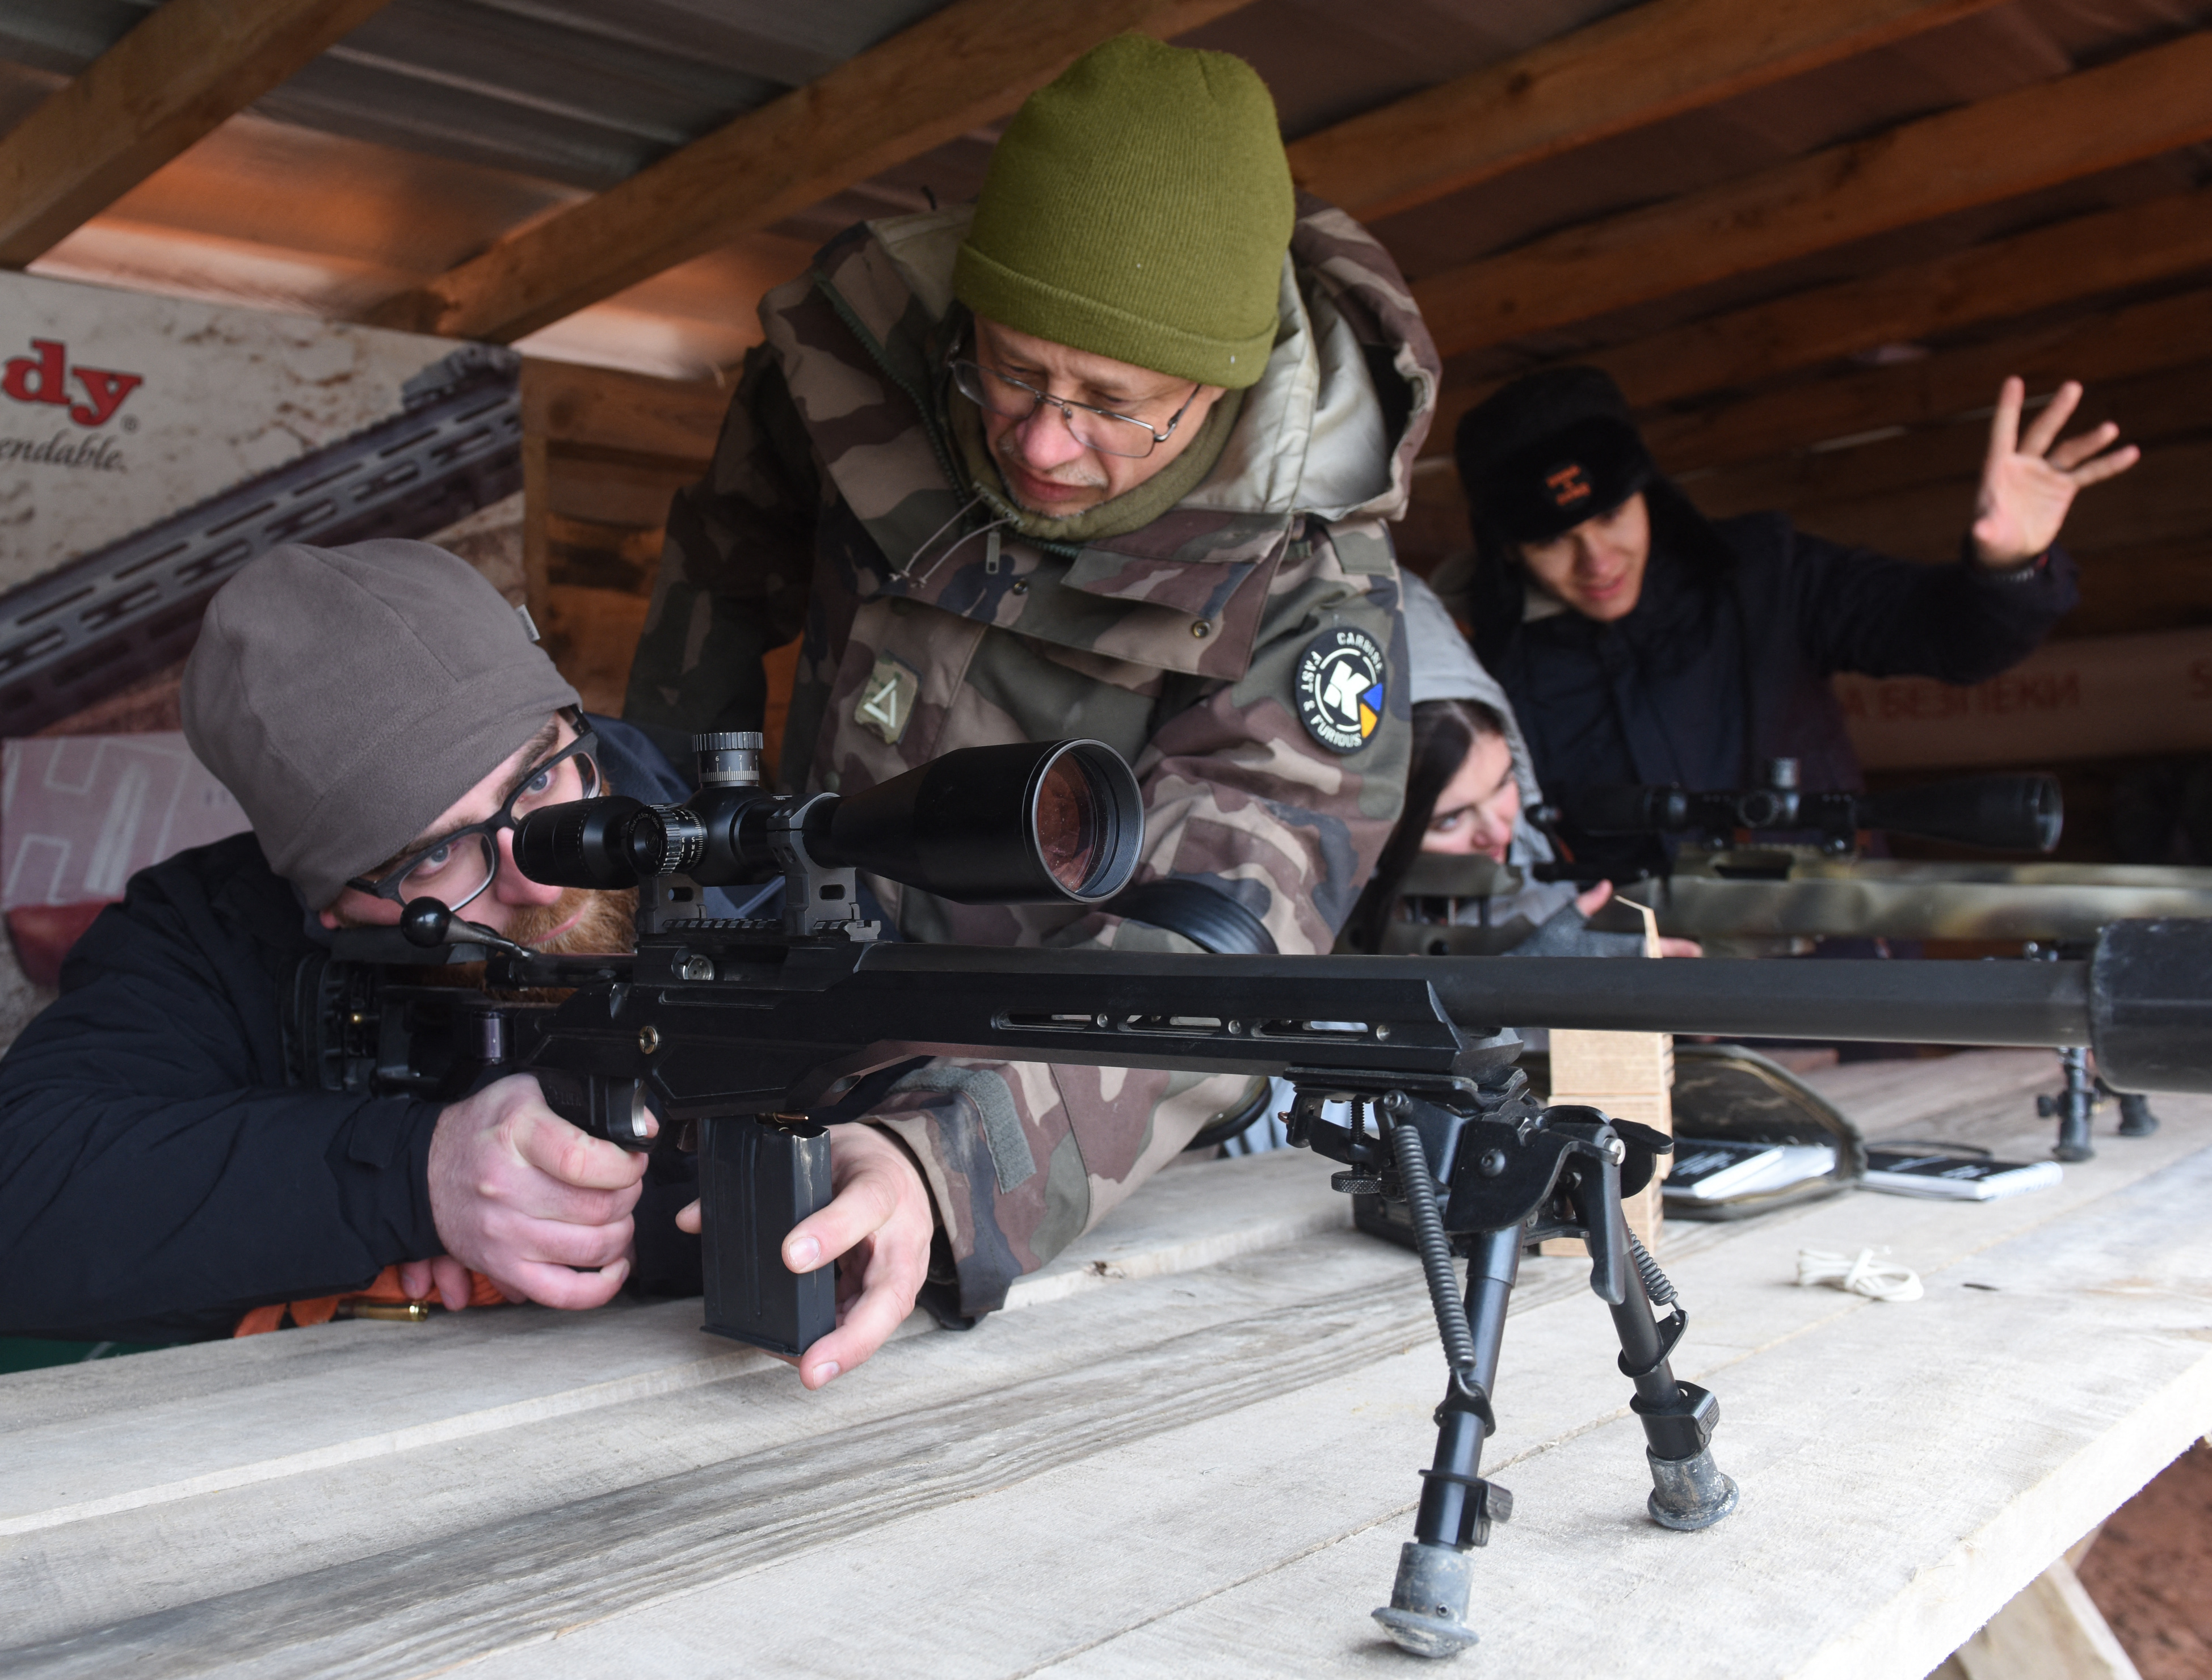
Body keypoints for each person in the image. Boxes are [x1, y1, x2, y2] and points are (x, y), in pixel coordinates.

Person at [620, 34, 1439, 1335]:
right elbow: (716, 585)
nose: (1044, 442)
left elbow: (1216, 938)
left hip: (1053, 1109)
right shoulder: (857, 353)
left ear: (1218, 389)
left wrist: (947, 1162)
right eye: (1009, 371)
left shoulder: (1312, 593)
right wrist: (658, 887)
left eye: (1112, 403)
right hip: (777, 1003)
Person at [0, 540, 928, 1388]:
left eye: (538, 778)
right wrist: (413, 1176)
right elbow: (25, 1196)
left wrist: (914, 1162)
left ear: (571, 724)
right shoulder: (212, 931)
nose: (538, 876)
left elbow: (965, 1059)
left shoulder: (761, 860)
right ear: (328, 906)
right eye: (436, 855)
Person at [1446, 367, 2137, 879]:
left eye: (1611, 515)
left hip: (1839, 971)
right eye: (1552, 540)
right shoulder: (1484, 671)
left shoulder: (1765, 572)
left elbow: (1949, 639)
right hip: (1639, 1000)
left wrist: (2007, 566)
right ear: (1508, 550)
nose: (1597, 560)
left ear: (1646, 492)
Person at [1343, 573, 1700, 958]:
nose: (1500, 832)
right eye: (1449, 821)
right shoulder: (1320, 924)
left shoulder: (1542, 896)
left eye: (1504, 783)